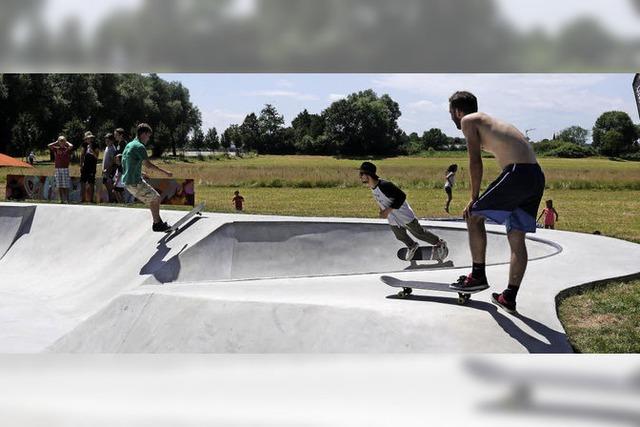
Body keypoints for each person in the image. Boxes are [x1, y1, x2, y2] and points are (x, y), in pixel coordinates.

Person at [447, 91, 545, 314]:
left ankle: (477, 275)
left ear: (457, 111)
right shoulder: (489, 121)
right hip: (535, 176)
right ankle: (508, 297)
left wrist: (473, 198)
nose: (452, 117)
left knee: (473, 216)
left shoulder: (468, 121)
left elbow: (475, 160)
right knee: (517, 236)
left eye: (451, 113)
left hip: (518, 173)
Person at [359, 161, 448, 261]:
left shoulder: (385, 185)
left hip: (404, 214)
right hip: (393, 218)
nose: (360, 176)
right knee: (399, 235)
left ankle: (440, 244)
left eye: (361, 173)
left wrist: (388, 210)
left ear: (368, 174)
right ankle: (412, 246)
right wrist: (382, 210)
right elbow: (382, 200)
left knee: (418, 233)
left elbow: (401, 196)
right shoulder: (373, 187)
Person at [122, 123, 173, 232]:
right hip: (134, 183)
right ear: (143, 134)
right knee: (156, 198)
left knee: (152, 199)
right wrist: (165, 172)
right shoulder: (140, 147)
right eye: (148, 136)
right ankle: (157, 224)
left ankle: (158, 223)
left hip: (128, 182)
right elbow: (148, 165)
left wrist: (139, 172)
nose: (148, 139)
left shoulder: (129, 145)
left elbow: (127, 162)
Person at [47, 136, 73, 203]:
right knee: (59, 185)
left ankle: (67, 199)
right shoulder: (56, 149)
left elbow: (71, 146)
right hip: (58, 168)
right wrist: (56, 142)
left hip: (65, 168)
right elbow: (49, 145)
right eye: (60, 141)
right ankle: (61, 200)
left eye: (63, 141)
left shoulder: (66, 149)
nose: (61, 142)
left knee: (65, 185)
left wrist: (66, 142)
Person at [80, 131, 99, 203]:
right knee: (82, 182)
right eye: (87, 138)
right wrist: (81, 165)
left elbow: (97, 157)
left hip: (92, 166)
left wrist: (92, 151)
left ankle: (91, 199)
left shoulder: (95, 145)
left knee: (91, 183)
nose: (88, 139)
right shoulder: (84, 145)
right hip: (85, 166)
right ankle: (82, 198)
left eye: (90, 138)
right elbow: (82, 155)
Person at [102, 133, 117, 202]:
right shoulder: (107, 147)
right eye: (105, 141)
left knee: (110, 186)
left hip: (109, 170)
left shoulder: (112, 149)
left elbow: (113, 161)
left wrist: (107, 169)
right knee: (106, 184)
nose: (106, 142)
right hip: (104, 170)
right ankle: (110, 199)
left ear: (112, 141)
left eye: (108, 141)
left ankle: (112, 199)